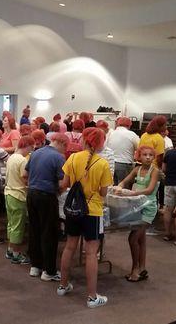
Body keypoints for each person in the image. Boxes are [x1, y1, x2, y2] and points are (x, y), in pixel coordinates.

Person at [58, 128, 112, 308]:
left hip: (74, 210)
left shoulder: (72, 158)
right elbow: (104, 192)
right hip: (93, 211)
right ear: (100, 143)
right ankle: (91, 296)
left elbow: (65, 184)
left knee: (69, 247)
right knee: (91, 253)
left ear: (84, 140)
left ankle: (63, 285)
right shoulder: (102, 163)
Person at [25, 133, 69, 281]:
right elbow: (63, 183)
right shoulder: (58, 158)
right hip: (47, 196)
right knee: (49, 233)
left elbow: (25, 174)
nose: (65, 150)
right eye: (66, 147)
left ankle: (35, 266)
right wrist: (59, 191)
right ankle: (48, 271)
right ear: (61, 143)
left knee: (34, 229)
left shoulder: (36, 153)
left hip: (31, 194)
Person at [114, 145, 160, 282]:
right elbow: (125, 180)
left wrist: (133, 193)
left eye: (150, 155)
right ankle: (142, 268)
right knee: (141, 238)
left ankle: (135, 269)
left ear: (154, 157)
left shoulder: (154, 171)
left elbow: (150, 190)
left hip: (148, 207)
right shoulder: (136, 169)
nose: (147, 157)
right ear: (139, 156)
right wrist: (120, 186)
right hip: (137, 206)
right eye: (144, 155)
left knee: (133, 238)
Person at [4, 136, 35, 264]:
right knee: (18, 226)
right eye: (31, 147)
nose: (31, 150)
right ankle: (16, 254)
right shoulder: (22, 160)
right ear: (27, 145)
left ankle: (10, 249)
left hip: (8, 193)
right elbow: (24, 177)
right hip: (18, 195)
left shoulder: (11, 157)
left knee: (11, 224)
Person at [107, 116, 140, 185]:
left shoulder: (111, 133)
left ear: (118, 124)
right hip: (124, 164)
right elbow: (139, 148)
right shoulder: (132, 134)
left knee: (113, 187)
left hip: (110, 163)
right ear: (129, 125)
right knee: (124, 189)